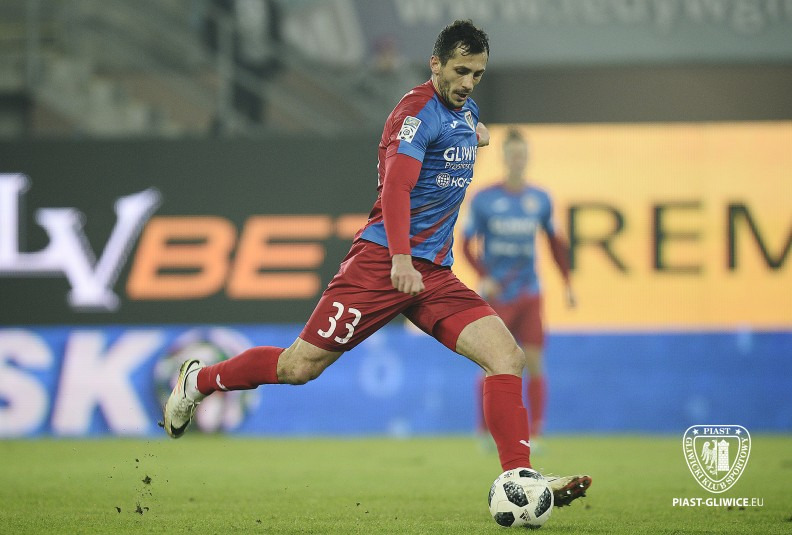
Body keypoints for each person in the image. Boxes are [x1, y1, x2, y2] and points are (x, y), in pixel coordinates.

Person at [163, 19, 590, 507]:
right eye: (460, 71)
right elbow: (396, 189)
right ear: (435, 64)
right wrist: (401, 258)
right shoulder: (414, 114)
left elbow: (465, 130)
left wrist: (477, 134)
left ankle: (520, 478)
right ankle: (197, 381)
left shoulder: (464, 111)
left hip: (433, 275)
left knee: (506, 357)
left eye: (477, 73)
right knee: (298, 367)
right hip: (382, 264)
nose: (469, 82)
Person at [462, 128, 576, 448]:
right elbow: (466, 244)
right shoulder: (484, 199)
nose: (518, 160)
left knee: (535, 362)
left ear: (527, 158)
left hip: (529, 292)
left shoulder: (540, 199)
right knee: (492, 363)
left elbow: (555, 243)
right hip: (497, 294)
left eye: (522, 154)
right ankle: (485, 431)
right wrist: (484, 275)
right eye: (513, 154)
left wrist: (567, 282)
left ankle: (535, 433)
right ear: (504, 158)